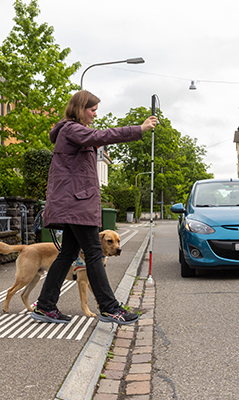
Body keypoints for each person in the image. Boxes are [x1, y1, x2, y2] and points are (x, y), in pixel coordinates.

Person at [30, 90, 158, 325]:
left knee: (68, 253)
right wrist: (138, 129)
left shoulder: (70, 131)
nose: (95, 114)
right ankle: (110, 308)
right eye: (92, 109)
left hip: (75, 202)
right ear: (80, 109)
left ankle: (46, 306)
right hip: (77, 204)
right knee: (94, 252)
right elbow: (102, 136)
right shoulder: (72, 130)